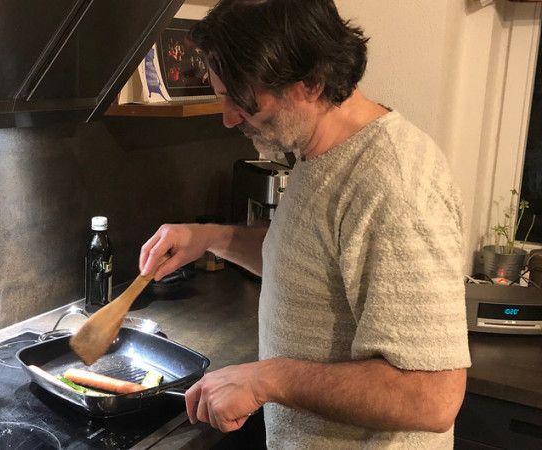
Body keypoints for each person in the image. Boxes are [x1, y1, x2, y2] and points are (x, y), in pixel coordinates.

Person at [137, 0, 471, 448]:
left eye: (243, 101)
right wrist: (210, 238)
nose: (228, 118)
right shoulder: (318, 153)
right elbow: (309, 261)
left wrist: (267, 379)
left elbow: (431, 397)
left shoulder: (393, 183)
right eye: (223, 96)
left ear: (311, 82)